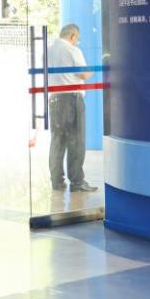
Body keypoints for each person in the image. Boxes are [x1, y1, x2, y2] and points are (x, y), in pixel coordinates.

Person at [47, 23, 97, 192]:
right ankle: (77, 182)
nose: (77, 41)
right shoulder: (72, 50)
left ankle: (57, 181)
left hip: (54, 98)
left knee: (57, 141)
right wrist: (91, 71)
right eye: (77, 38)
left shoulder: (48, 50)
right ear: (72, 35)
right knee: (76, 141)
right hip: (72, 99)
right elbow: (83, 73)